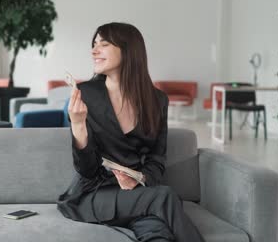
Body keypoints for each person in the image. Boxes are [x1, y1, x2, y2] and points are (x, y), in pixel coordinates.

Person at [56, 22, 205, 242]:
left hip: (138, 195)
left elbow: (157, 158)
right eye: (94, 44)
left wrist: (139, 179)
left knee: (158, 235)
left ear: (128, 51)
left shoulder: (157, 100)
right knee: (164, 196)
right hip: (94, 194)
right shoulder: (86, 94)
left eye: (103, 44)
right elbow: (86, 170)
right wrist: (78, 124)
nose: (94, 50)